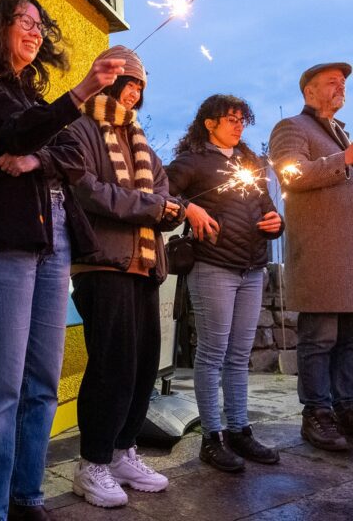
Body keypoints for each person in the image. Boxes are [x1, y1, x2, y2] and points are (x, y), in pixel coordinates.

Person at [0, 0, 126, 521]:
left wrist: (35, 161)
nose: (33, 31)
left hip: (54, 241)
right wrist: (80, 93)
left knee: (43, 383)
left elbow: (75, 151)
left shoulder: (35, 94)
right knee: (1, 386)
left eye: (38, 24)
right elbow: (11, 130)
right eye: (22, 21)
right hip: (2, 241)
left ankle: (26, 498)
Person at [65, 45, 184, 508]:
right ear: (109, 82)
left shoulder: (146, 148)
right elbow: (89, 192)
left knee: (141, 365)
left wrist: (168, 211)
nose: (133, 94)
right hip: (102, 264)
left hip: (145, 267)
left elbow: (162, 198)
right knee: (111, 365)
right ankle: (91, 464)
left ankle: (122, 452)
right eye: (127, 84)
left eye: (139, 87)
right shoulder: (79, 129)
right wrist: (156, 207)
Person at [166, 94, 283, 472]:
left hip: (253, 268)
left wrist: (276, 223)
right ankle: (211, 438)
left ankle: (239, 430)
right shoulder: (192, 161)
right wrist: (189, 207)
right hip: (213, 265)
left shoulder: (249, 162)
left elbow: (266, 205)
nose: (237, 125)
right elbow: (161, 192)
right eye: (229, 118)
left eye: (241, 119)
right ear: (209, 123)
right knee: (213, 354)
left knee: (238, 356)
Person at [269, 62, 353, 451]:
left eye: (343, 83)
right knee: (319, 339)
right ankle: (316, 415)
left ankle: (345, 409)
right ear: (309, 92)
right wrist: (346, 159)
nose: (341, 88)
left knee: (349, 341)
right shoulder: (292, 129)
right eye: (331, 82)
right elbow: (293, 175)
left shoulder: (341, 133)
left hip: (348, 260)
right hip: (320, 256)